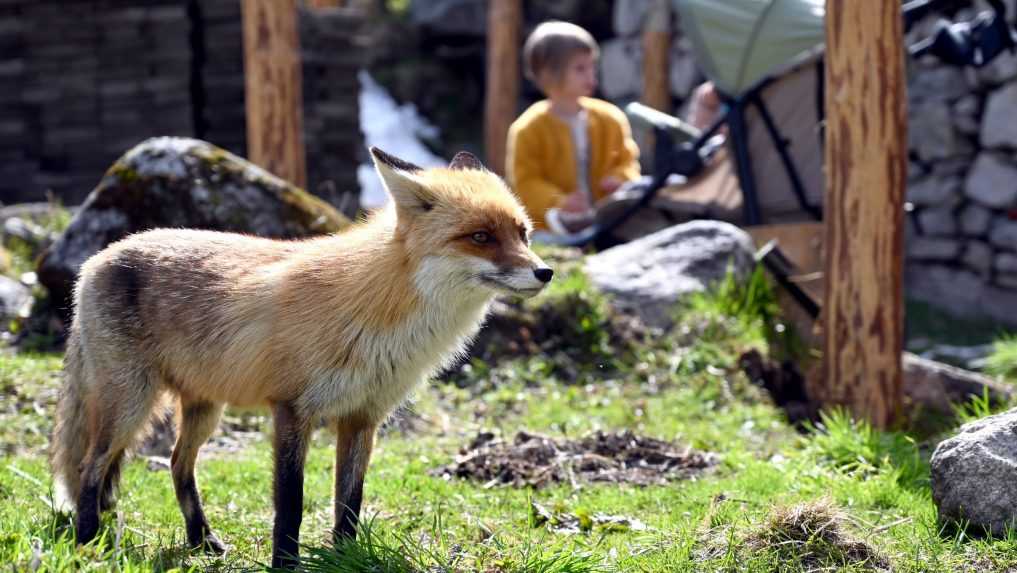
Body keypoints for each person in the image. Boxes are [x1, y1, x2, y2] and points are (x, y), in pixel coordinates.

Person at [506, 21, 641, 234]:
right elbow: (526, 183)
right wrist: (560, 201)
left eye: (592, 67)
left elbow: (627, 161)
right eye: (580, 68)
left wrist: (619, 179)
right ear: (549, 73)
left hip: (611, 214)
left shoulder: (610, 118)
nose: (590, 76)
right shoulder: (527, 129)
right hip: (552, 225)